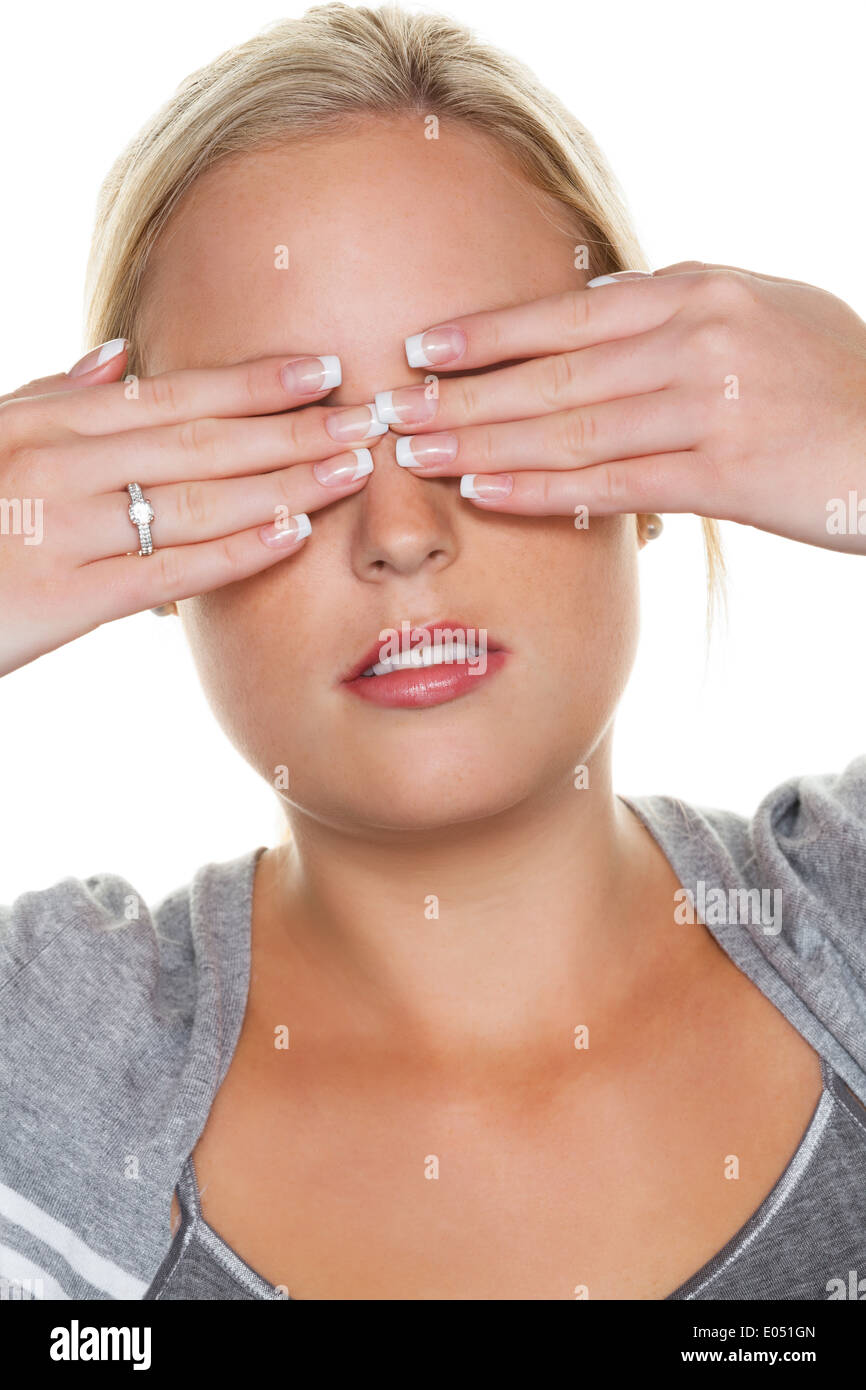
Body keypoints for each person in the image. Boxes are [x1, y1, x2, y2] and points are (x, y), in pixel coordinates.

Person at [1, 4, 865, 1302]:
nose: (398, 533)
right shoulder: (44, 1064)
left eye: (480, 405)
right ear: (147, 539)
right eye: (288, 443)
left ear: (657, 458)